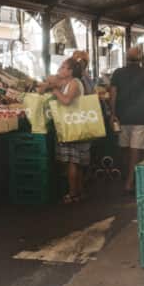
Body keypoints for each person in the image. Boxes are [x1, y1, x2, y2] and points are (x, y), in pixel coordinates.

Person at [37, 56, 90, 203]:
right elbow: (47, 83)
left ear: (70, 71)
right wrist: (52, 83)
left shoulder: (74, 83)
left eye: (63, 67)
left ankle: (73, 194)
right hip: (72, 125)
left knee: (73, 162)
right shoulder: (67, 82)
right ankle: (79, 192)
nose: (59, 69)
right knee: (76, 162)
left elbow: (66, 101)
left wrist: (55, 90)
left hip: (73, 125)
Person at [109, 46, 144, 194]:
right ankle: (130, 181)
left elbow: (113, 94)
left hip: (123, 116)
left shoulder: (118, 73)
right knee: (135, 149)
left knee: (125, 147)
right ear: (141, 58)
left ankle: (127, 176)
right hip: (142, 116)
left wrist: (113, 113)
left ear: (126, 58)